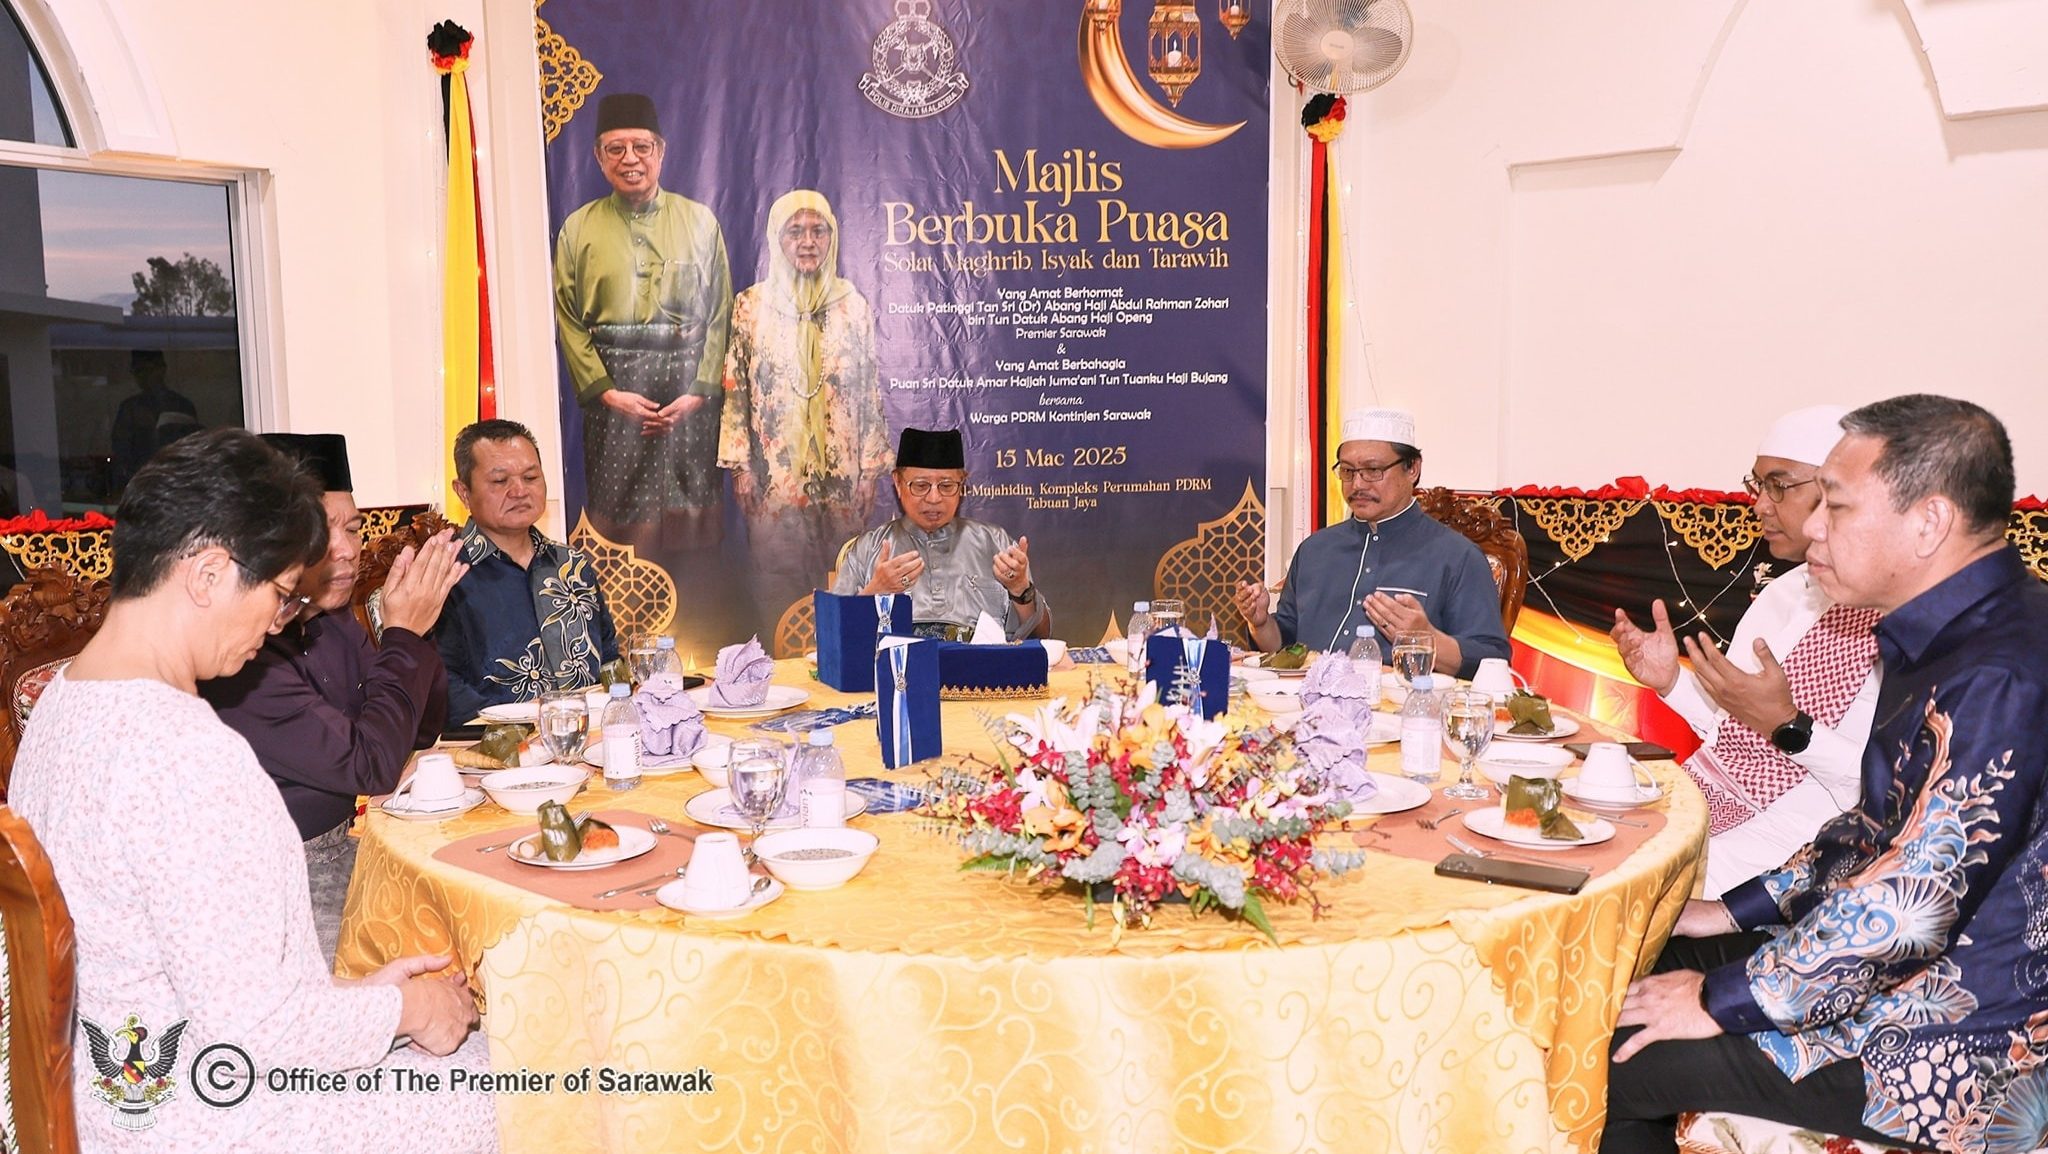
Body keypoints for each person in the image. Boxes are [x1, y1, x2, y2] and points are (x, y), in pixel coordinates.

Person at [9, 429, 497, 1151]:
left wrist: (368, 1000)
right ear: (207, 574)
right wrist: (412, 1008)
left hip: (112, 1093)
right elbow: (265, 1037)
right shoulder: (187, 754)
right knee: (527, 1079)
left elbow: (190, 976)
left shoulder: (62, 703)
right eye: (278, 594)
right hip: (206, 1117)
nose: (278, 622)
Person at [1604, 395, 2048, 1154]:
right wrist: (1730, 912)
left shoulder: (2001, 669)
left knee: (1613, 1061)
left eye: (1835, 507)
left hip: (1955, 1042)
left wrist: (1721, 998)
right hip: (1890, 975)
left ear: (1928, 521)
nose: (1811, 526)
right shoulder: (1944, 635)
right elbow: (1872, 829)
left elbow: (1911, 907)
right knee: (1632, 964)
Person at [200, 434, 466, 962]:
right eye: (324, 532)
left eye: (354, 528)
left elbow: (415, 730)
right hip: (279, 879)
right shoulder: (241, 660)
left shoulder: (333, 623)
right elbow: (372, 765)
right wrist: (403, 636)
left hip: (351, 843)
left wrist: (417, 629)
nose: (347, 550)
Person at [1611, 406, 1882, 898]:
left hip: (1798, 852)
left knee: (1617, 891)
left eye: (1779, 485)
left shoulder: (1892, 615)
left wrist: (1791, 726)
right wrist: (1671, 681)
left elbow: (1882, 786)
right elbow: (1735, 728)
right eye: (1757, 485)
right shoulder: (1782, 593)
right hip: (1704, 803)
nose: (1759, 504)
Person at [553, 91, 733, 553]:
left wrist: (697, 393)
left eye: (641, 147)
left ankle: (703, 623)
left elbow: (720, 315)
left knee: (692, 523)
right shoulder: (577, 228)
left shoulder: (700, 222)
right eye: (615, 148)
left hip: (689, 402)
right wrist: (609, 394)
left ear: (661, 151)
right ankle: (624, 624)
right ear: (597, 156)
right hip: (614, 405)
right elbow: (568, 320)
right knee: (620, 527)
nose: (629, 159)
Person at [718, 189, 890, 632]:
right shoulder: (751, 306)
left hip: (843, 474)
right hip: (776, 475)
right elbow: (735, 389)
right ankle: (783, 667)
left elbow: (868, 389)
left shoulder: (852, 305)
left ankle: (845, 665)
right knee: (779, 577)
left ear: (832, 238)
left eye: (819, 230)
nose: (808, 241)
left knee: (844, 575)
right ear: (777, 239)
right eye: (796, 231)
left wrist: (871, 469)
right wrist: (740, 466)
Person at [1233, 408, 1510, 677]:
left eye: (1373, 470)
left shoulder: (1457, 557)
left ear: (1412, 468)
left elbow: (1492, 661)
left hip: (1401, 715)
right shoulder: (1315, 550)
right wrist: (1260, 623)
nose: (1357, 485)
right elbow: (1284, 651)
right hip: (1303, 709)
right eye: (1348, 471)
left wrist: (1428, 640)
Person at [434, 419, 620, 723]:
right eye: (500, 481)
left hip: (592, 737)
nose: (519, 491)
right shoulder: (446, 574)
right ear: (463, 492)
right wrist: (518, 730)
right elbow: (442, 686)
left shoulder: (571, 564)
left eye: (531, 476)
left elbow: (609, 658)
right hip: (498, 750)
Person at [831, 427, 1050, 640]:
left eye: (946, 486)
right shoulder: (868, 549)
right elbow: (830, 637)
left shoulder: (995, 542)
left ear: (962, 484)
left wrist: (1021, 590)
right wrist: (874, 593)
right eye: (920, 485)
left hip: (979, 674)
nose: (934, 498)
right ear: (898, 483)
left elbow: (1042, 636)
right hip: (898, 673)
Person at [109, 348, 198, 491]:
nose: (144, 376)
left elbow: (191, 448)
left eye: (148, 369)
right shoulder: (130, 408)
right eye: (138, 371)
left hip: (176, 481)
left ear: (162, 369)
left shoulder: (181, 405)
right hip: (139, 482)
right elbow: (120, 451)